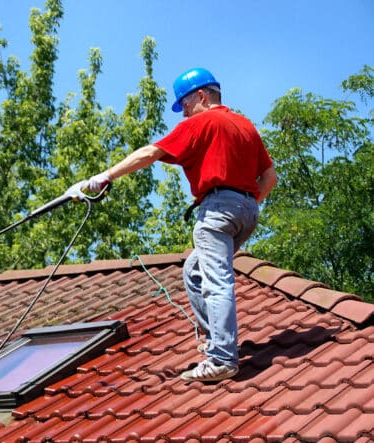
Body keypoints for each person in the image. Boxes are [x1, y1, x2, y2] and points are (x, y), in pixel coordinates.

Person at [83, 67, 277, 382]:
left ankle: (222, 358)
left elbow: (150, 152)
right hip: (246, 211)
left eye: (184, 104)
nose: (183, 112)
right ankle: (218, 341)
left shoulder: (201, 122)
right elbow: (270, 177)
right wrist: (250, 204)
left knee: (216, 281)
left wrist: (106, 176)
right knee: (195, 270)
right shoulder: (246, 126)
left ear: (201, 95)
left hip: (216, 210)